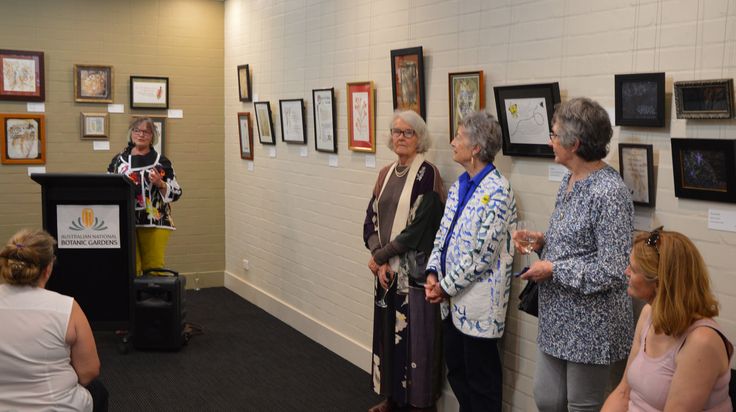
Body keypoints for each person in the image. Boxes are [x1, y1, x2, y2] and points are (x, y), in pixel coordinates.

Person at [512, 97, 635, 411]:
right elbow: (577, 244)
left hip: (592, 323)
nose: (550, 141)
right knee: (547, 398)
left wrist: (553, 269)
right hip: (557, 317)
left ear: (575, 143)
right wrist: (543, 241)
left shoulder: (609, 192)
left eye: (554, 135)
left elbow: (613, 268)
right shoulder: (569, 179)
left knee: (582, 405)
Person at [424, 111, 518, 412]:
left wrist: (444, 287)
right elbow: (443, 234)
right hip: (450, 301)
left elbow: (482, 254)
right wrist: (432, 274)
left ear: (476, 147)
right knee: (458, 374)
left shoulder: (499, 190)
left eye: (459, 137)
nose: (452, 143)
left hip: (478, 306)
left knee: (482, 386)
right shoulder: (460, 184)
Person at [363, 110, 446, 412]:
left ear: (419, 138)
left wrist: (381, 257)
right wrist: (378, 257)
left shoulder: (428, 175)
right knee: (386, 336)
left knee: (415, 340)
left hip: (414, 275)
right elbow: (370, 220)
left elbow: (417, 229)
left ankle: (418, 404)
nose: (400, 137)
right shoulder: (385, 173)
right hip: (386, 272)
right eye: (396, 131)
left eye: (408, 132)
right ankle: (391, 397)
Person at [602, 228, 733, 411]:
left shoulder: (702, 342)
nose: (626, 272)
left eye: (633, 268)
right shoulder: (649, 313)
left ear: (659, 283)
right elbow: (623, 393)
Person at [0, 229, 108, 411]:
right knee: (98, 391)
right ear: (48, 269)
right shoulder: (67, 307)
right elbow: (88, 372)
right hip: (57, 406)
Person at [108, 118, 182, 276]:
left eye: (146, 132)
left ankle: (154, 299)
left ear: (152, 136)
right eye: (137, 130)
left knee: (153, 268)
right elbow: (108, 187)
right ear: (131, 133)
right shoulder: (118, 162)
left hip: (155, 222)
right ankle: (134, 301)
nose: (140, 134)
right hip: (126, 221)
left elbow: (176, 192)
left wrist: (160, 184)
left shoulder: (161, 162)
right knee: (131, 267)